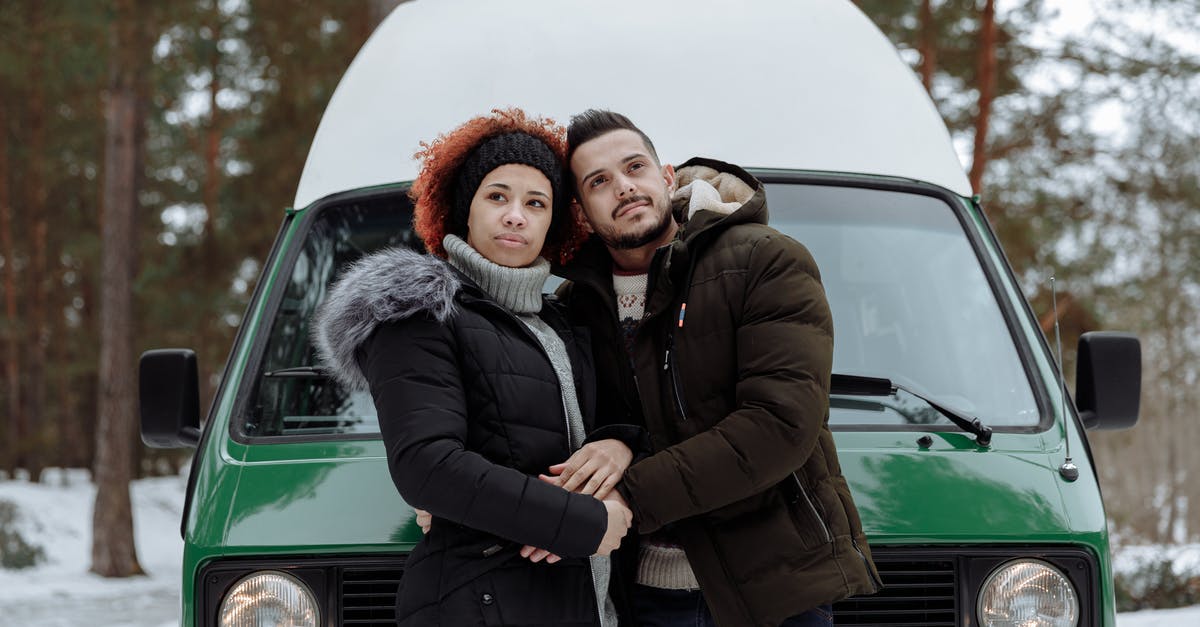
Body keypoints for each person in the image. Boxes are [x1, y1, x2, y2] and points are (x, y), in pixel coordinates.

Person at [545, 110, 882, 627]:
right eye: (599, 181)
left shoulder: (765, 261)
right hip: (640, 597)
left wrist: (627, 488)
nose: (624, 187)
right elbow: (552, 422)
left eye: (634, 167)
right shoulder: (574, 306)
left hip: (775, 592)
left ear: (666, 175)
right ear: (582, 210)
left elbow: (779, 425)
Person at [313, 108, 643, 627]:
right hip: (480, 603)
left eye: (536, 203)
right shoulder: (420, 311)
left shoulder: (563, 320)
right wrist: (580, 523)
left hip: (586, 602)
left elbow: (614, 419)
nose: (516, 215)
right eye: (497, 196)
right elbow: (428, 465)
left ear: (551, 222)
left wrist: (620, 444)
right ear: (463, 209)